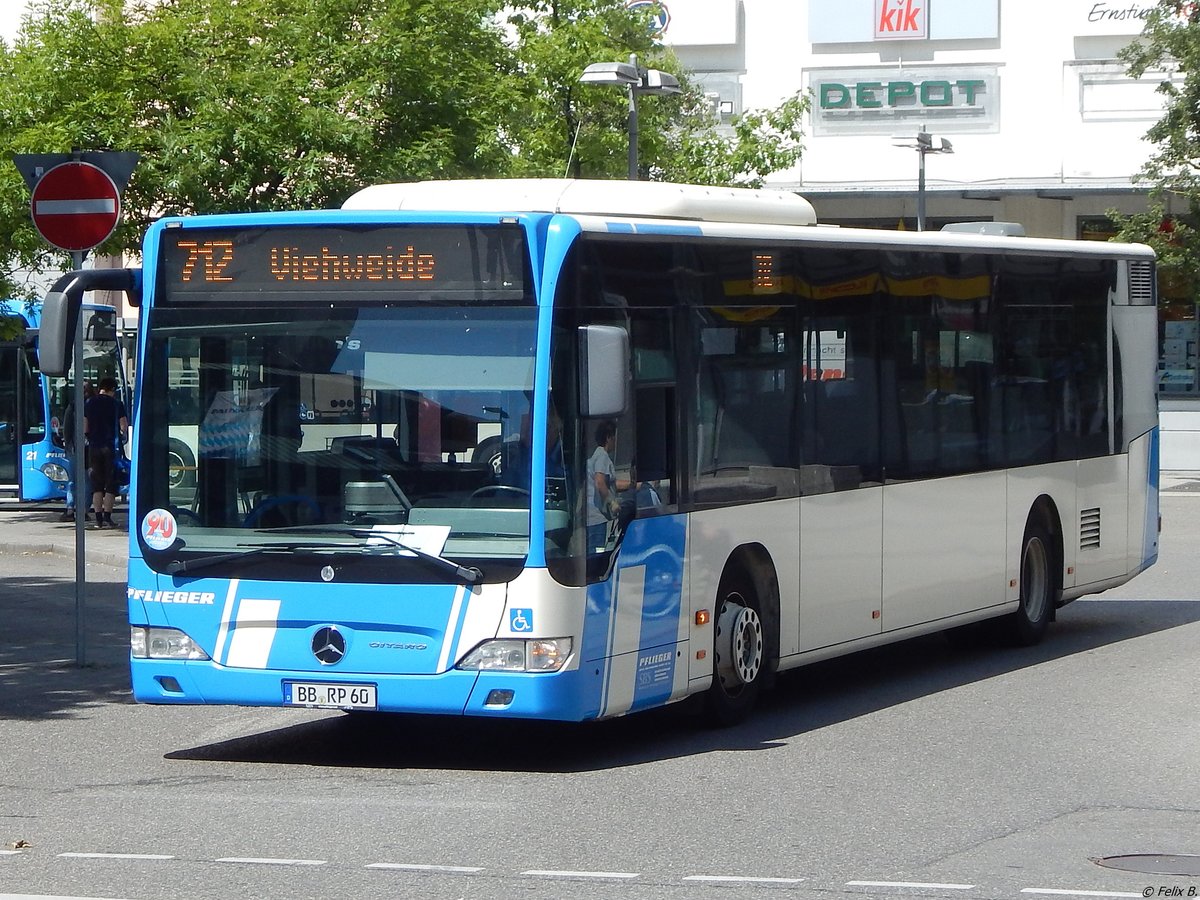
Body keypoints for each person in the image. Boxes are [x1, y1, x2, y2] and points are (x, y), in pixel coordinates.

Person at [84, 376, 128, 529]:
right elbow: (123, 426)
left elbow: (85, 427)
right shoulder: (117, 404)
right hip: (111, 448)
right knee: (110, 483)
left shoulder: (89, 403)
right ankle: (108, 517)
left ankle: (98, 520)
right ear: (113, 390)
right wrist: (123, 436)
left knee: (97, 484)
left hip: (94, 447)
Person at [585, 420, 636, 553]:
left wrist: (632, 485)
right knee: (597, 554)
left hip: (591, 517)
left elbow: (611, 484)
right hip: (598, 518)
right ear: (609, 437)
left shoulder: (595, 456)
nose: (615, 441)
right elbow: (600, 482)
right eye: (614, 437)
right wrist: (612, 502)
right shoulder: (602, 457)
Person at [60, 380, 94, 522]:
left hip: (75, 447)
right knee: (87, 480)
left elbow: (67, 427)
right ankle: (84, 510)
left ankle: (70, 509)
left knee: (73, 480)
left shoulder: (73, 406)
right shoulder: (94, 404)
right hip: (90, 447)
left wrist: (68, 444)